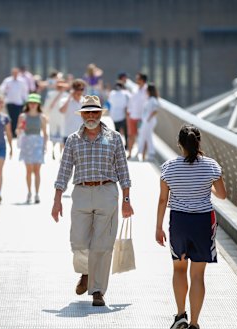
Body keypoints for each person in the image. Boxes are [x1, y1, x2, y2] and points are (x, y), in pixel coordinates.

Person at [51, 95, 133, 307]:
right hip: (81, 192)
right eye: (86, 112)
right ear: (81, 115)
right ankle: (86, 272)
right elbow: (64, 170)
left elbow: (123, 171)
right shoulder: (72, 140)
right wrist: (57, 199)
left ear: (100, 114)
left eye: (94, 112)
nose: (90, 116)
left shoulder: (114, 138)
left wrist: (126, 199)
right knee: (78, 242)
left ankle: (97, 290)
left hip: (107, 191)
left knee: (102, 245)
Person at [155, 124, 227, 329]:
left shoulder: (169, 167)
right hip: (203, 221)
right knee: (197, 274)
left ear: (179, 144)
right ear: (198, 142)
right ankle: (195, 323)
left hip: (179, 221)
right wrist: (209, 187)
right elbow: (222, 195)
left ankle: (180, 316)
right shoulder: (212, 165)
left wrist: (158, 227)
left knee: (179, 268)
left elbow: (162, 200)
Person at [17, 93, 48, 204]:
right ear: (28, 104)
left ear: (38, 104)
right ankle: (29, 192)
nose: (33, 104)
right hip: (27, 143)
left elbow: (45, 133)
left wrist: (45, 146)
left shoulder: (42, 117)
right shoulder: (23, 116)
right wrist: (20, 128)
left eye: (35, 103)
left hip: (38, 143)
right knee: (29, 170)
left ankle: (37, 194)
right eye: (31, 102)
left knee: (37, 170)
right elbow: (18, 131)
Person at [43, 78, 69, 159]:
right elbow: (47, 105)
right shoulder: (51, 94)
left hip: (62, 117)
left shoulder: (66, 95)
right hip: (53, 116)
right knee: (54, 134)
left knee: (62, 135)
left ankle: (61, 153)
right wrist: (45, 115)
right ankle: (53, 150)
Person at [0, 67, 29, 136]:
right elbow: (2, 89)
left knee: (18, 118)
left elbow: (25, 92)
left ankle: (17, 131)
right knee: (11, 118)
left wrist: (26, 101)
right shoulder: (7, 81)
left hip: (19, 102)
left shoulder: (22, 81)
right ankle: (12, 132)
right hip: (10, 102)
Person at [59, 79, 86, 150]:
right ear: (73, 89)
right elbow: (62, 110)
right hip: (68, 134)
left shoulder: (85, 101)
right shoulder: (65, 100)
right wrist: (69, 97)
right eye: (77, 89)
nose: (80, 91)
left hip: (82, 134)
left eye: (82, 89)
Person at [136, 83, 160, 161]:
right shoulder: (149, 99)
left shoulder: (153, 100)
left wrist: (149, 118)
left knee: (146, 136)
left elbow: (155, 110)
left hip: (149, 121)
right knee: (146, 137)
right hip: (146, 121)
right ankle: (149, 153)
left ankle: (148, 153)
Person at [126, 73, 148, 158]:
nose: (136, 80)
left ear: (142, 80)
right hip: (133, 116)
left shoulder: (147, 90)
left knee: (143, 136)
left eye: (138, 79)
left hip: (142, 117)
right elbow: (131, 101)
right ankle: (130, 153)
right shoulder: (135, 88)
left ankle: (143, 155)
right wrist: (128, 111)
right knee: (131, 135)